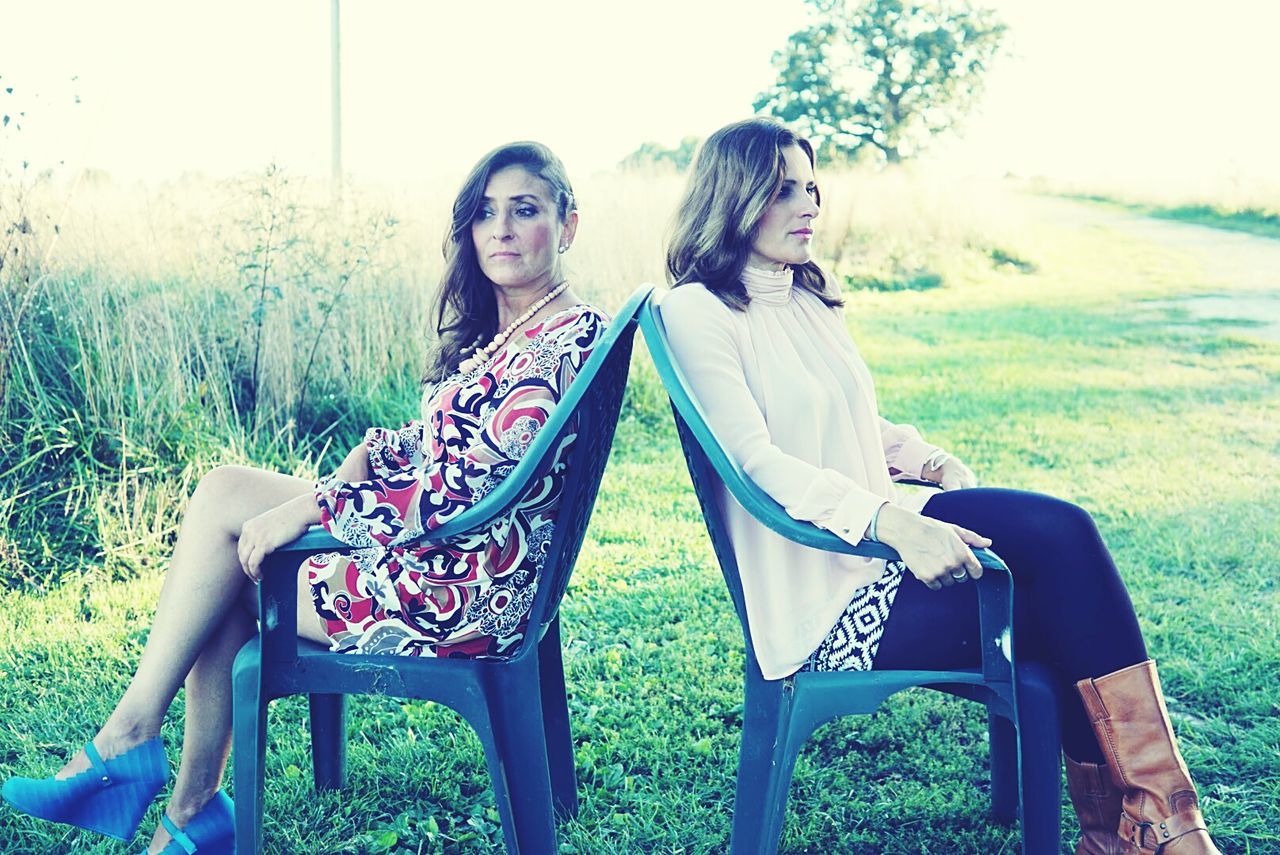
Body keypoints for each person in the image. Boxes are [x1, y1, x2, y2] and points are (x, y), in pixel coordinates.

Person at [2, 141, 606, 854]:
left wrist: (318, 505)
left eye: (524, 210)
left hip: (457, 586)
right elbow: (431, 447)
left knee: (225, 567)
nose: (500, 229)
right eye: (485, 213)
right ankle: (171, 791)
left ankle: (149, 764)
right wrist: (353, 466)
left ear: (566, 225)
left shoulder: (563, 340)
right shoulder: (517, 334)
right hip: (456, 555)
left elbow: (461, 492)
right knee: (226, 492)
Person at [659, 118, 1221, 854]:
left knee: (1064, 532)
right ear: (733, 198)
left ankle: (1155, 821)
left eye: (811, 187)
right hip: (824, 595)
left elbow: (848, 414)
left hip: (880, 539)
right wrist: (895, 523)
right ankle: (1139, 831)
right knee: (1054, 589)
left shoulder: (802, 295)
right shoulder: (695, 311)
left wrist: (925, 461)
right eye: (784, 190)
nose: (809, 206)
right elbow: (755, 460)